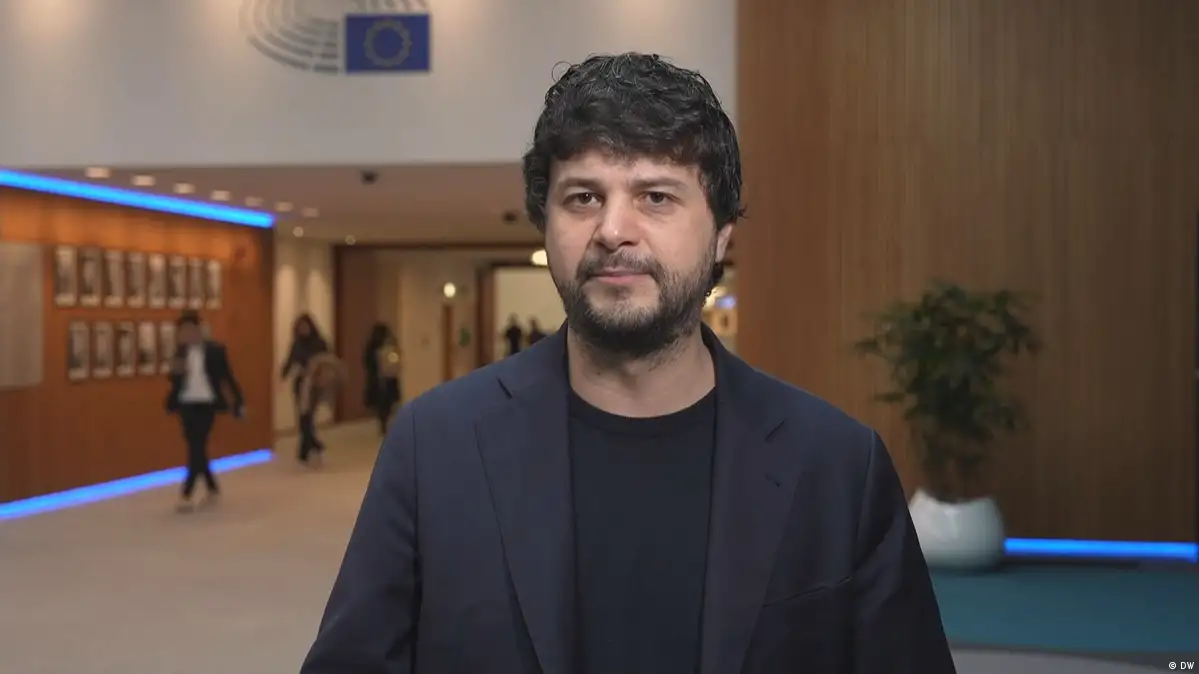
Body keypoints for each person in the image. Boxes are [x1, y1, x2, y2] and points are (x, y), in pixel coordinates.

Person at [300, 53, 955, 674]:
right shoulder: (435, 446)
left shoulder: (836, 465)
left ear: (722, 235)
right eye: (583, 198)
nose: (613, 230)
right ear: (546, 224)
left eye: (656, 197)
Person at [164, 310, 244, 512]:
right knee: (196, 447)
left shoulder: (215, 351)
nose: (186, 335)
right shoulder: (180, 353)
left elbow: (228, 378)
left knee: (196, 446)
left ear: (199, 330)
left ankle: (186, 493)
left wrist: (238, 402)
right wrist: (176, 371)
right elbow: (174, 381)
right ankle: (211, 486)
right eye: (182, 332)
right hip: (186, 404)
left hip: (207, 403)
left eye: (190, 330)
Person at [281, 314, 329, 461]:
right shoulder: (297, 344)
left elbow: (327, 361)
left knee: (308, 415)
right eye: (300, 327)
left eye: (305, 326)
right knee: (303, 415)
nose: (303, 329)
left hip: (315, 383)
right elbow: (290, 360)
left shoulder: (319, 343)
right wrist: (284, 373)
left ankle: (307, 447)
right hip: (301, 383)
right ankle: (311, 445)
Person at [298, 352, 348, 467]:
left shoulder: (335, 374)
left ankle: (306, 449)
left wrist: (330, 405)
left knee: (308, 419)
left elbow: (331, 394)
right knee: (305, 419)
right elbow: (305, 403)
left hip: (319, 384)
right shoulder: (309, 380)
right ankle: (310, 446)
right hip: (304, 386)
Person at [362, 322, 402, 437]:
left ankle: (385, 423)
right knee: (383, 403)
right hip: (380, 380)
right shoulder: (372, 348)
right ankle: (384, 423)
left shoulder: (389, 346)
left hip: (387, 378)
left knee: (388, 403)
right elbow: (368, 364)